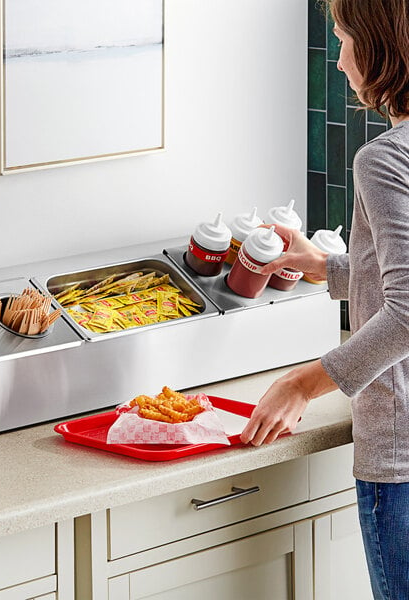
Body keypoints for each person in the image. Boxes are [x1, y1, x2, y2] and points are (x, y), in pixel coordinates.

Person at [239, 0, 409, 597]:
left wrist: (302, 384)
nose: (338, 61)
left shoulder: (385, 159)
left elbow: (408, 312)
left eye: (342, 38)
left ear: (381, 43)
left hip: (401, 454)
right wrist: (325, 268)